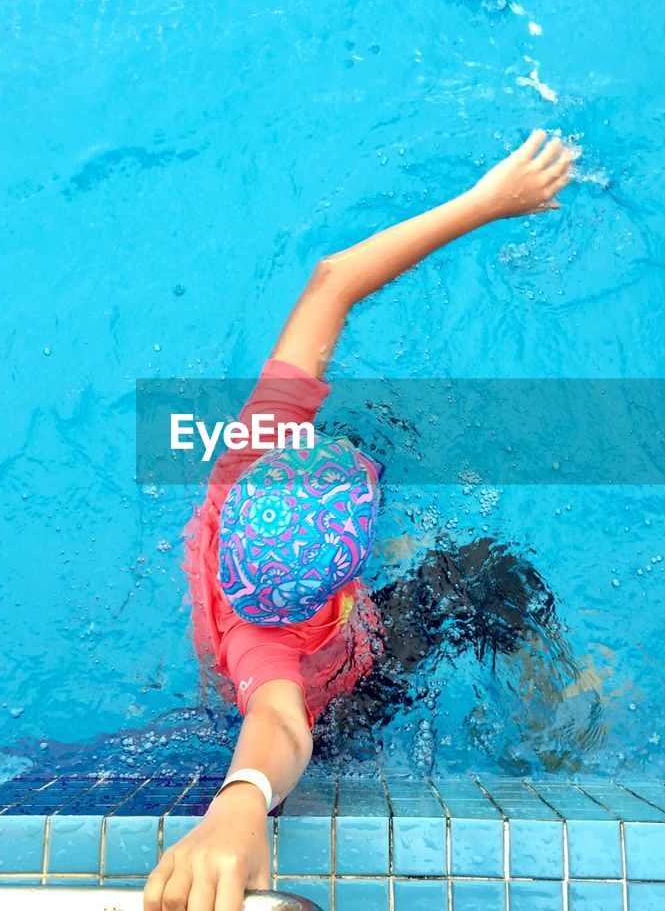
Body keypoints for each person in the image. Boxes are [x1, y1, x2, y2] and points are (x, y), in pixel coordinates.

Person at [144, 130, 574, 911]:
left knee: (375, 432)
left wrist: (487, 200)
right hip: (335, 705)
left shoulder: (244, 457)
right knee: (494, 574)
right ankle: (566, 716)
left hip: (250, 648)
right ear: (345, 592)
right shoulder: (286, 664)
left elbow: (332, 283)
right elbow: (280, 721)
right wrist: (241, 802)